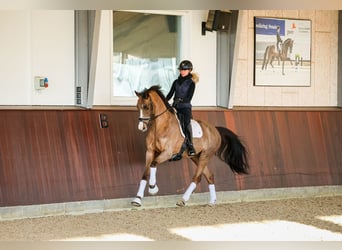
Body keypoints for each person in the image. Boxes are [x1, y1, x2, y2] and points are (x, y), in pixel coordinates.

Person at [166, 60, 198, 157]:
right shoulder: (175, 82)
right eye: (181, 70)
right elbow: (170, 94)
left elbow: (189, 97)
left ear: (189, 70)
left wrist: (179, 100)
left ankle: (190, 145)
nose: (182, 71)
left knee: (186, 123)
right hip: (175, 107)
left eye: (185, 70)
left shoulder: (191, 83)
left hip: (185, 108)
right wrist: (164, 101)